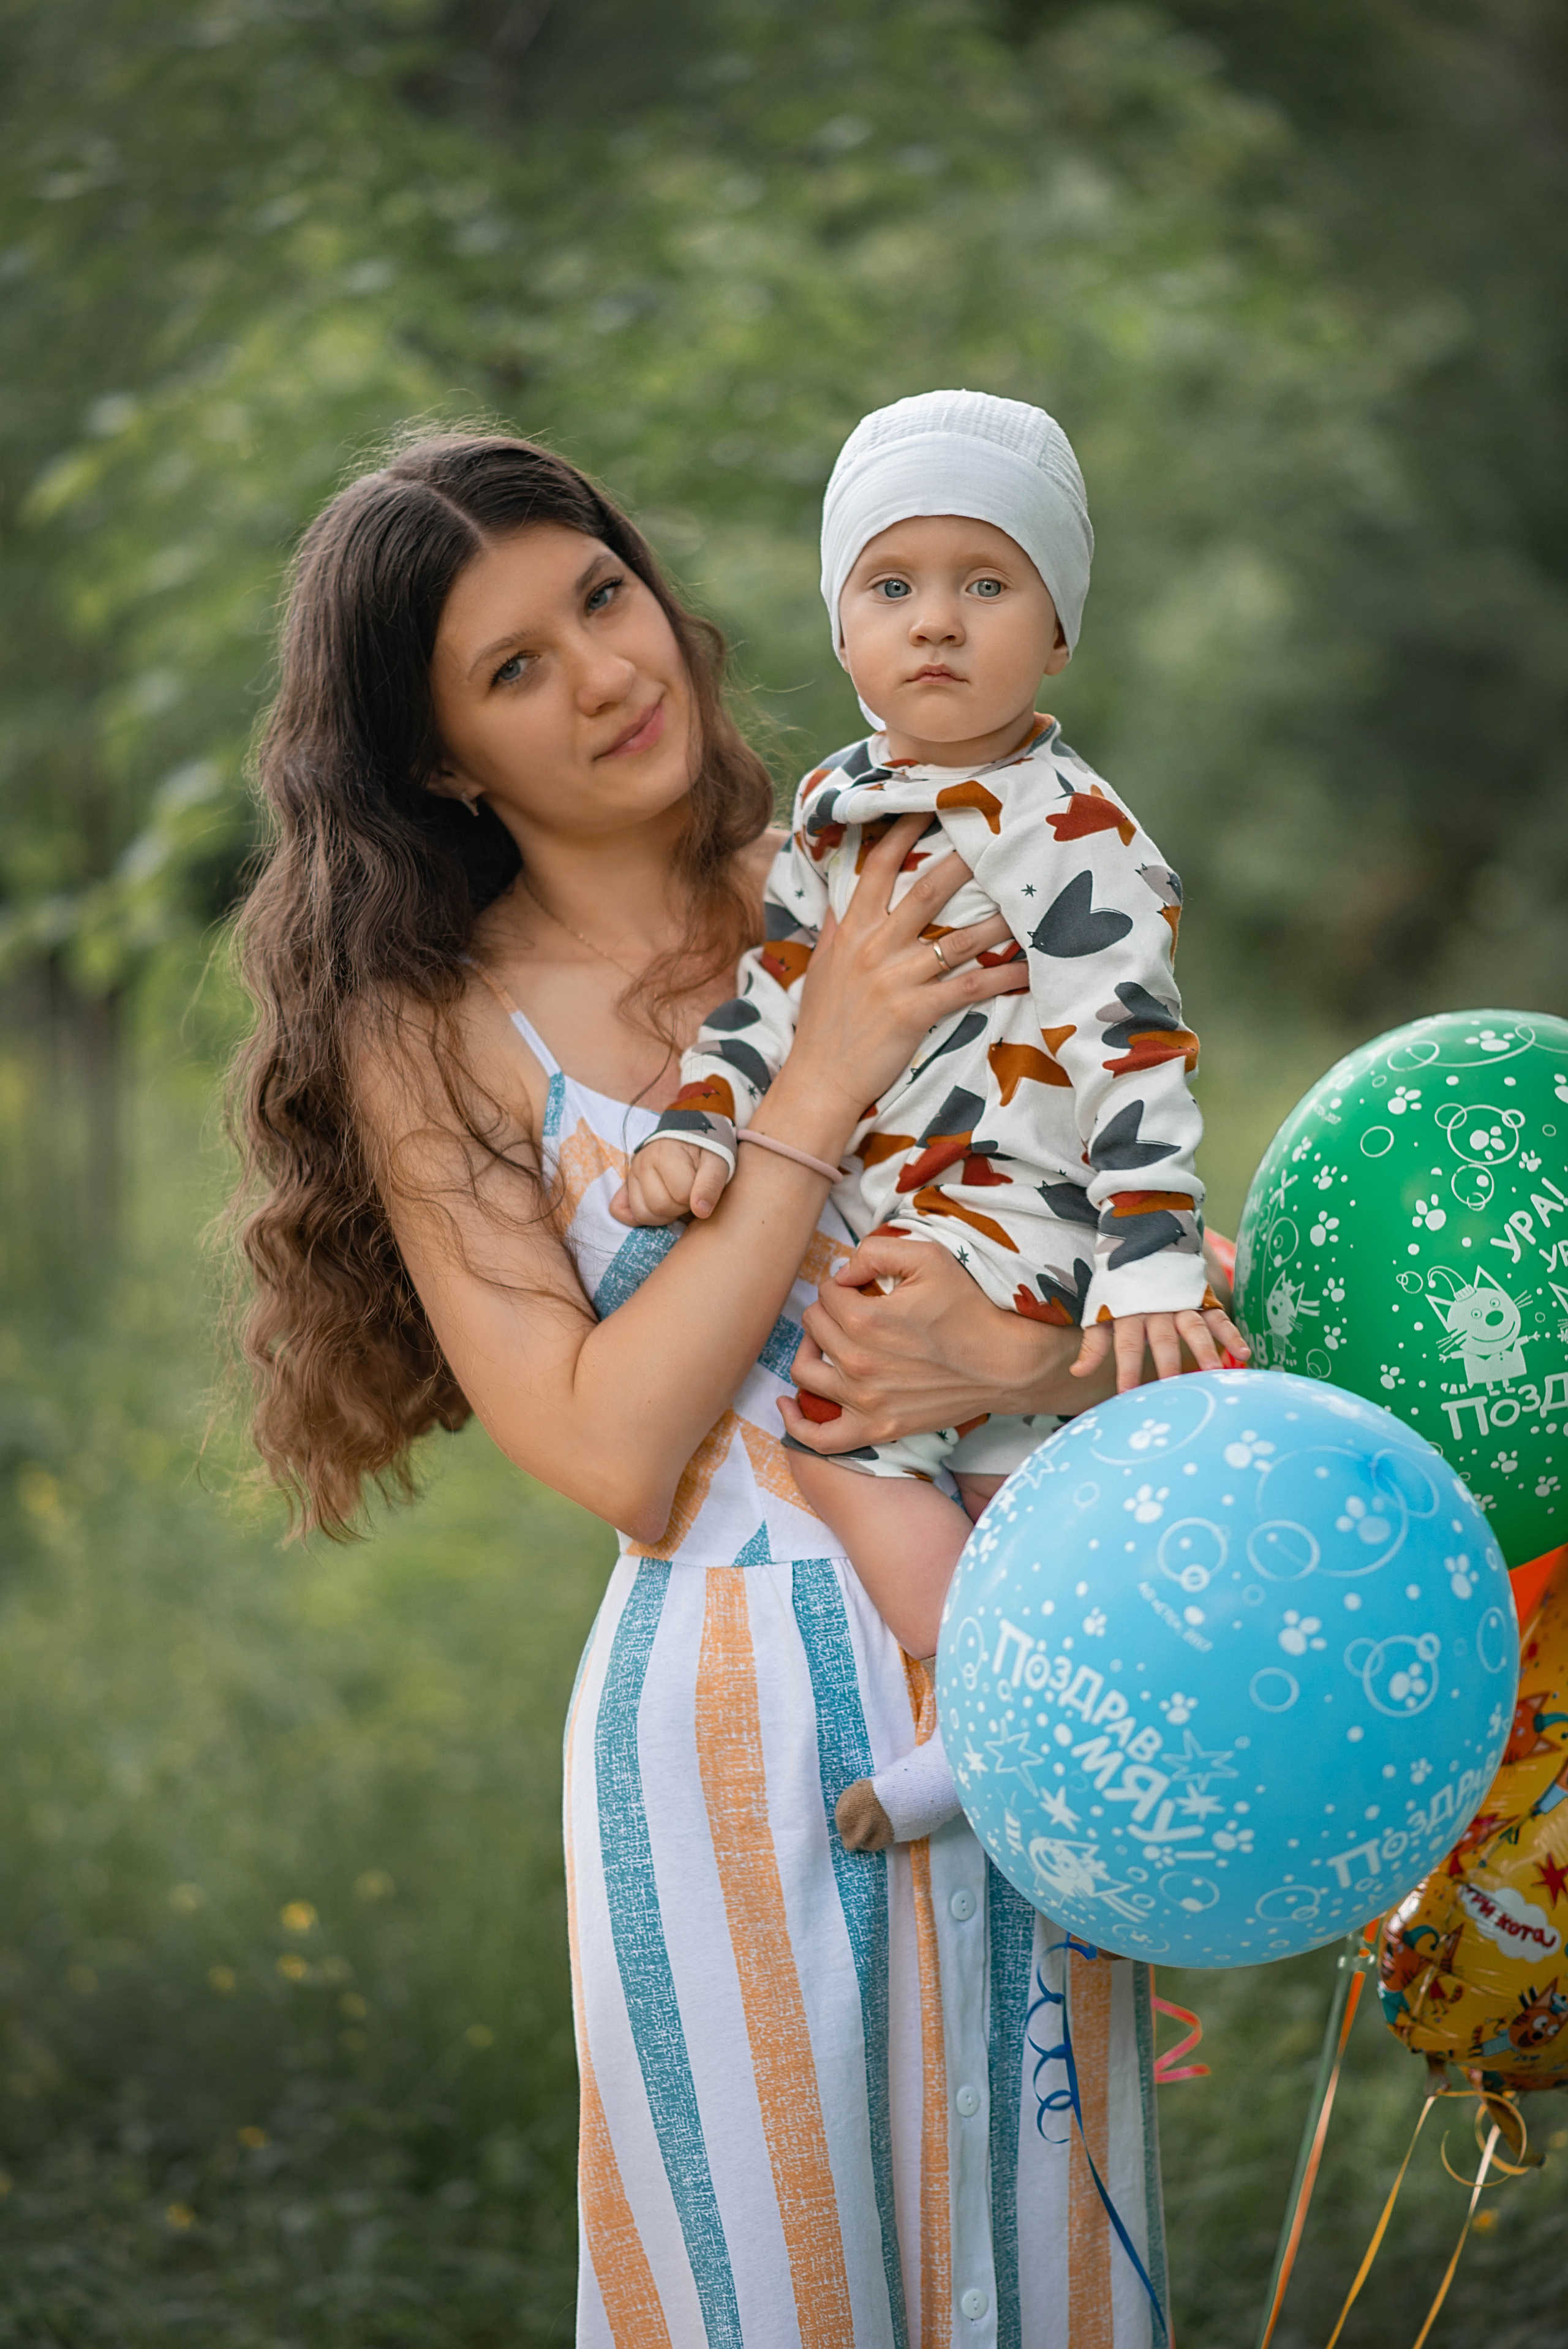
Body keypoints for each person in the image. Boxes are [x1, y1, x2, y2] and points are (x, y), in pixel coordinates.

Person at [227, 428, 1176, 2346]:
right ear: (438, 758)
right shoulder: (436, 1028)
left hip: (1024, 1665)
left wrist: (1020, 1350)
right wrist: (816, 1080)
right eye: (512, 669)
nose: (603, 671)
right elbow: (609, 1444)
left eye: (599, 596)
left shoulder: (901, 847)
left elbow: (1146, 1245)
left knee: (1033, 2279)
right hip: (724, 1740)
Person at [624, 391, 1247, 1854]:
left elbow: (1132, 1042)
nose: (937, 623)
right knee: (909, 1471)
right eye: (891, 586)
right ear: (841, 630)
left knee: (858, 1441)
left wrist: (1149, 1250)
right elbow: (771, 998)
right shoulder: (835, 806)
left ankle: (995, 1725)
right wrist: (705, 1128)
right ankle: (1001, 1717)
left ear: (1057, 631)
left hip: (1028, 1214)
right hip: (899, 1233)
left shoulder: (1067, 825)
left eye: (987, 584)